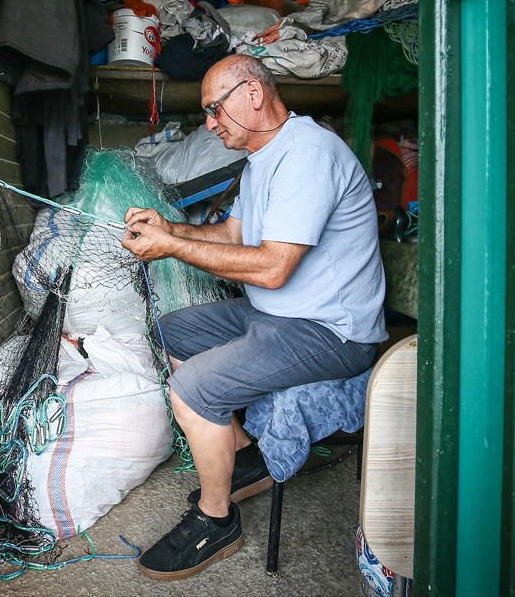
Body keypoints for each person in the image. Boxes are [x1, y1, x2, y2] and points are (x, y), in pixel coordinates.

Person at [121, 54, 388, 580]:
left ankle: (215, 521)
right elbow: (233, 237)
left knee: (193, 388)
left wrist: (171, 250)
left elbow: (270, 269)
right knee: (173, 331)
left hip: (332, 330)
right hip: (279, 315)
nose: (211, 124)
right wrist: (170, 230)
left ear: (252, 94)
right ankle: (245, 455)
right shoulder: (264, 157)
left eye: (215, 110)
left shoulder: (308, 154)